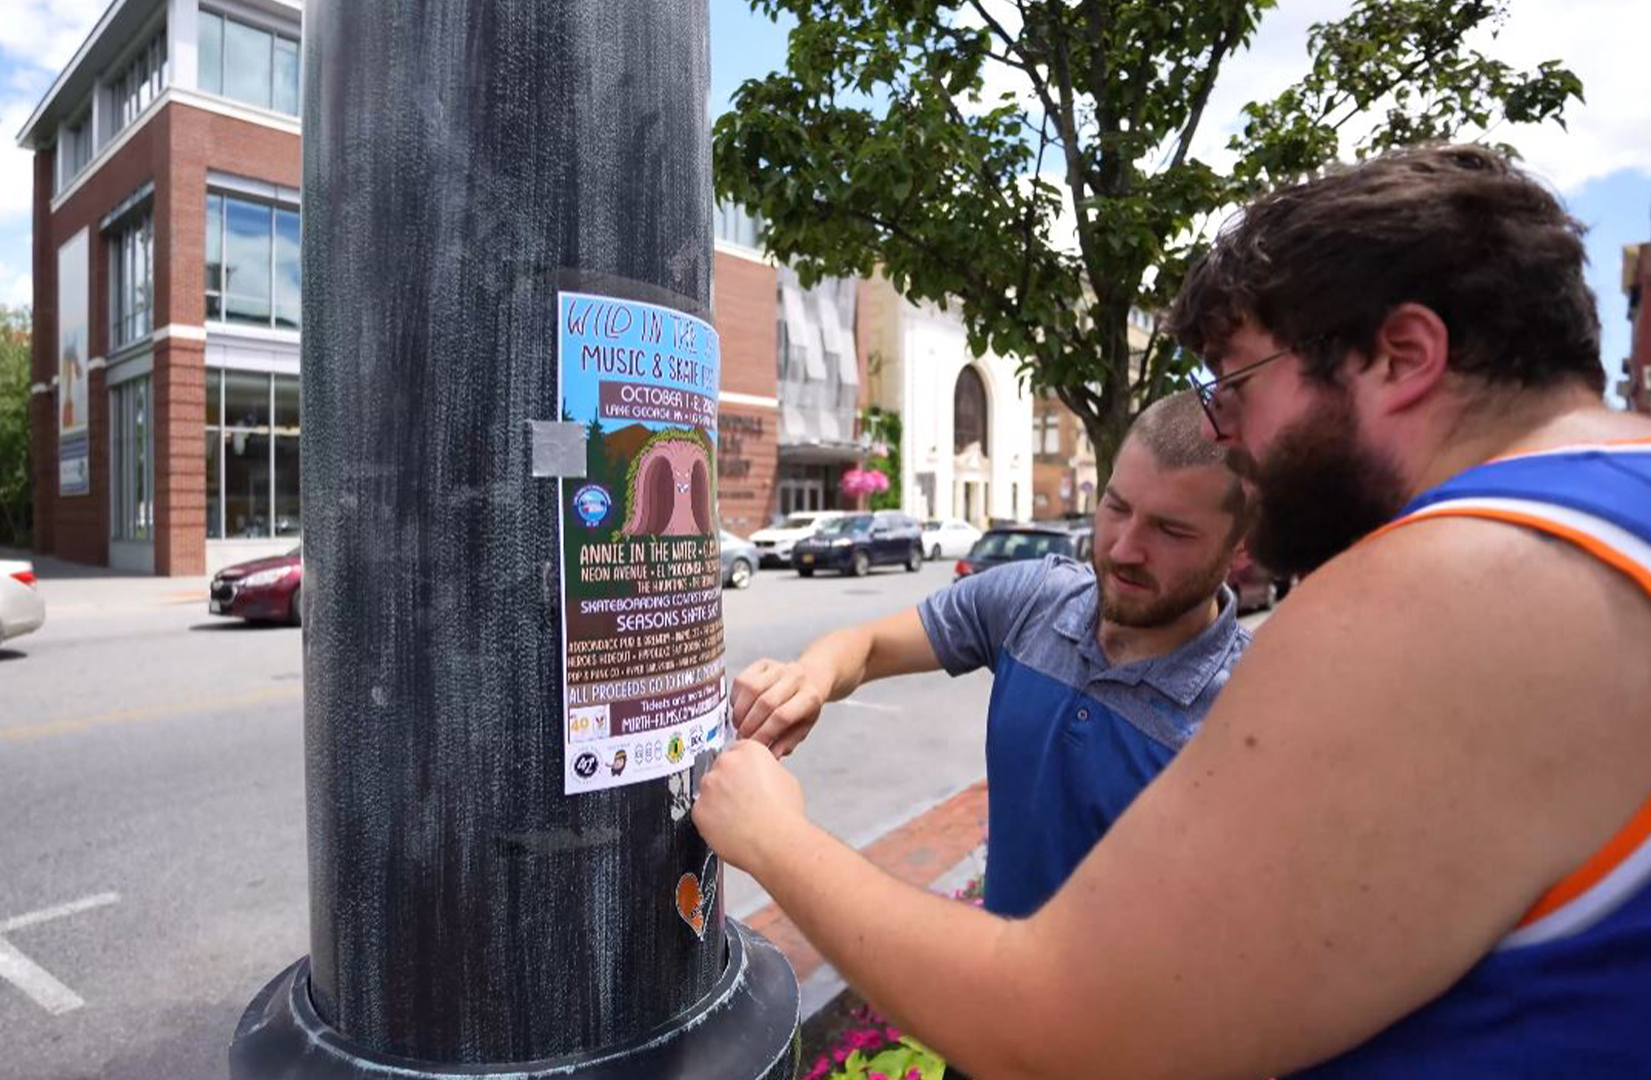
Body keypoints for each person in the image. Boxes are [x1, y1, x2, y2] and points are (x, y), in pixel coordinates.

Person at [693, 144, 1651, 1079]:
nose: (1227, 433)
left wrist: (774, 837)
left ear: (1402, 356)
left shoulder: (1456, 581)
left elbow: (1060, 1031)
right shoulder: (1609, 517)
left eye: (1235, 381)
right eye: (1116, 508)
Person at [731, 391, 1254, 920]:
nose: (1123, 549)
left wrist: (776, 842)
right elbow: (866, 647)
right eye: (1116, 507)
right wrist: (809, 677)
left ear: (1242, 547)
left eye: (1171, 530)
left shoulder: (1253, 717)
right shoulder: (1037, 598)